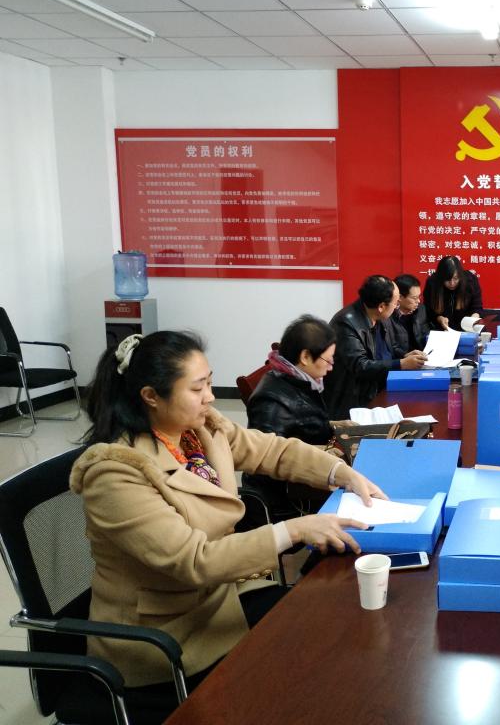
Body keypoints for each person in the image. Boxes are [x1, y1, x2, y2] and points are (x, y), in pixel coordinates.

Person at [71, 331, 386, 724]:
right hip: (168, 635)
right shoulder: (116, 473)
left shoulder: (197, 431)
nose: (210, 397)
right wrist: (294, 530)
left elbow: (271, 450)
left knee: (325, 624)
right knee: (304, 668)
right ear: (151, 396)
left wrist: (341, 473)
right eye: (197, 388)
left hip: (222, 597)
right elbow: (195, 561)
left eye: (209, 382)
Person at [245, 314, 337, 516]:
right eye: (328, 360)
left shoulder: (301, 380)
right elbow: (268, 461)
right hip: (291, 501)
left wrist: (334, 425)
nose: (331, 367)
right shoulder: (272, 401)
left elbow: (305, 422)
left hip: (310, 477)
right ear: (305, 357)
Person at [323, 275, 428, 419]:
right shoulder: (346, 324)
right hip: (355, 401)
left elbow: (389, 347)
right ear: (381, 307)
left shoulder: (378, 315)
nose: (397, 307)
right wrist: (401, 364)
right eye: (395, 303)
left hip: (380, 388)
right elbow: (360, 366)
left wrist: (405, 356)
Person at [422, 255, 483, 331]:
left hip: (466, 330)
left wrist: (473, 319)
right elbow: (428, 311)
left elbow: (477, 308)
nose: (452, 283)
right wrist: (440, 318)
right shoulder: (432, 284)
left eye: (455, 278)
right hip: (441, 330)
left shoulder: (470, 281)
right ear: (441, 278)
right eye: (447, 280)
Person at [390, 273, 430, 353]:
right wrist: (406, 356)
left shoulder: (421, 310)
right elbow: (391, 347)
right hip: (402, 358)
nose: (418, 301)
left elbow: (426, 334)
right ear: (400, 297)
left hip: (423, 356)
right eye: (414, 298)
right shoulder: (388, 316)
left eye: (419, 296)